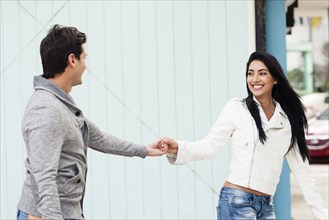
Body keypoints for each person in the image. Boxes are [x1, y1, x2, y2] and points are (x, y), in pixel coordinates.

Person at [16, 24, 167, 220]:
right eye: (84, 57)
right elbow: (44, 178)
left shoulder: (60, 105)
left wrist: (144, 150)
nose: (86, 65)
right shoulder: (46, 110)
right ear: (72, 60)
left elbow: (100, 139)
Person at [163, 51, 328, 219]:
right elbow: (209, 146)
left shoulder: (287, 120)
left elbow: (302, 171)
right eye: (250, 73)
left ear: (275, 79)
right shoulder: (237, 109)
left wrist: (320, 214)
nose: (255, 79)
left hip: (266, 205)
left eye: (262, 73)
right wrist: (178, 148)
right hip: (236, 201)